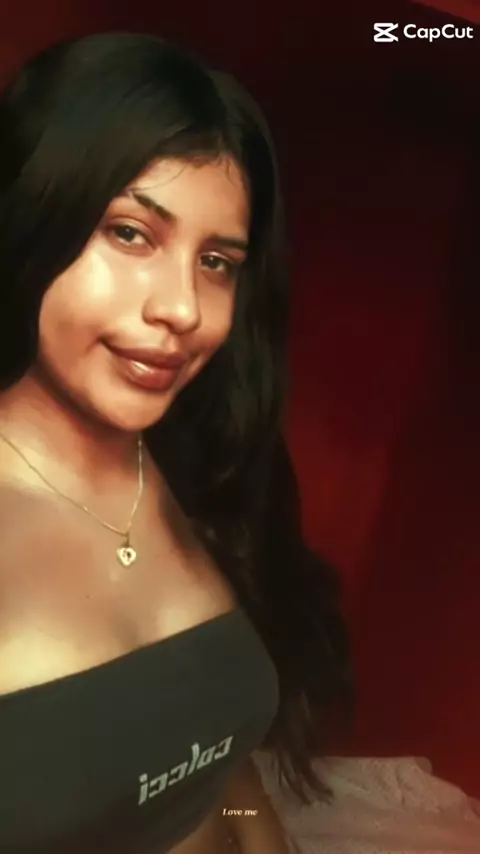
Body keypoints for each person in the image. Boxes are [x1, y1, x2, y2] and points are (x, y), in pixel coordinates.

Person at [0, 32, 353, 854]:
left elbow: (221, 773)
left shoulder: (209, 468)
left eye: (217, 261)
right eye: (131, 234)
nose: (185, 309)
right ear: (30, 217)